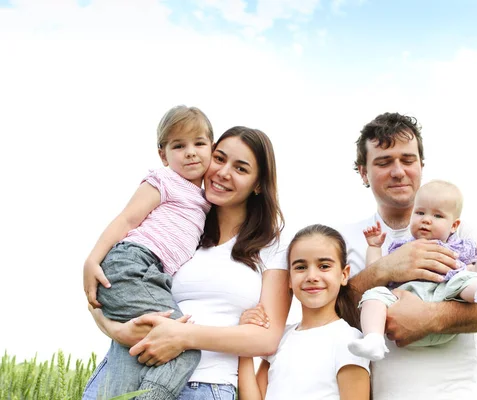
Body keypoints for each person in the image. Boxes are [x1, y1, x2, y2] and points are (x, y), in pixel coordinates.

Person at [340, 112, 477, 400]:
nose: (398, 171)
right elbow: (327, 315)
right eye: (384, 162)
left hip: (456, 392)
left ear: (421, 165)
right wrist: (384, 269)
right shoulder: (344, 240)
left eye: (408, 160)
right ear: (363, 172)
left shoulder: (463, 232)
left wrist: (434, 317)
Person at [82, 126, 292, 400]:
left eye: (241, 169)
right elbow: (113, 289)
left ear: (258, 184)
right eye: (219, 158)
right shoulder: (178, 229)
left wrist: (184, 337)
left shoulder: (273, 246)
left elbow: (267, 339)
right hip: (125, 374)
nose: (223, 172)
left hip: (205, 386)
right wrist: (117, 330)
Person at [82, 105, 213, 398]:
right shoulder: (164, 181)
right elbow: (127, 218)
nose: (190, 152)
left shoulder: (206, 201)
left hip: (152, 276)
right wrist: (92, 259)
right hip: (133, 265)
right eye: (179, 145)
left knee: (140, 353)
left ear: (212, 148)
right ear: (163, 155)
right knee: (185, 347)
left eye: (199, 143)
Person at [348, 180, 477, 361]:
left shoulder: (459, 247)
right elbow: (375, 270)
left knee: (465, 277)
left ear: (453, 225)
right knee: (374, 295)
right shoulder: (401, 248)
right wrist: (374, 247)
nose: (426, 219)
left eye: (437, 216)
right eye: (419, 213)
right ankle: (374, 340)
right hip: (403, 307)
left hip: (443, 301)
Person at [237, 224, 370, 400]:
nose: (312, 276)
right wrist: (244, 347)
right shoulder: (281, 338)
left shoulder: (350, 341)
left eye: (324, 266)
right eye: (301, 267)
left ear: (344, 275)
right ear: (289, 279)